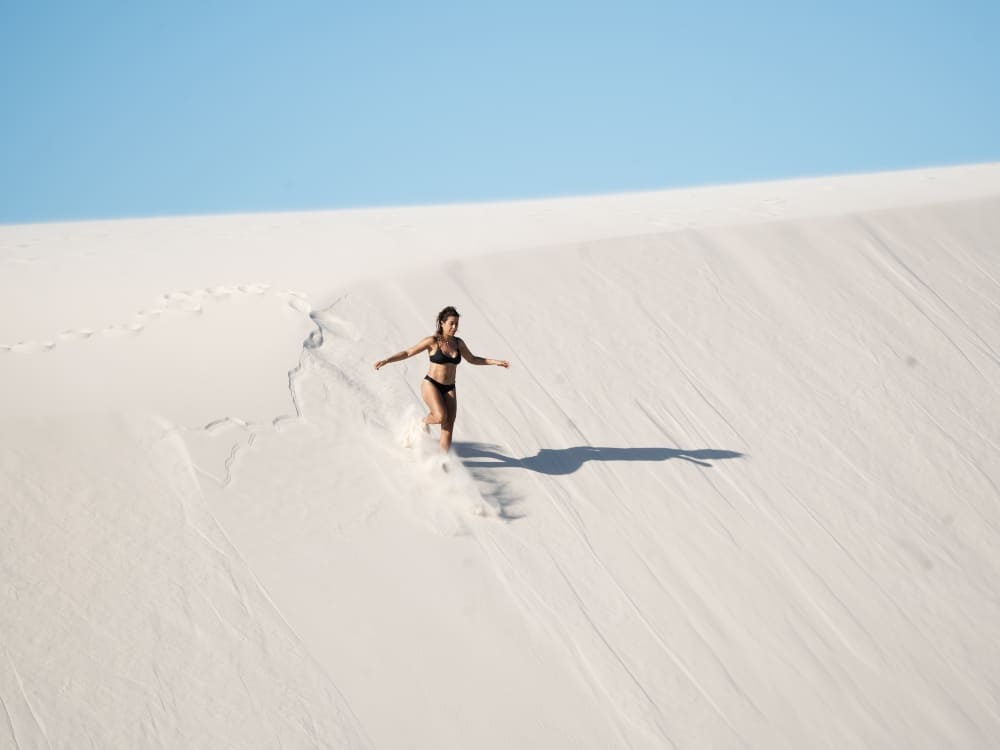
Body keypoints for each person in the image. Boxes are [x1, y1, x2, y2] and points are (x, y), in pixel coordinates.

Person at [374, 306, 509, 452]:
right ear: (442, 323)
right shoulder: (432, 341)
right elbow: (408, 352)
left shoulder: (458, 343)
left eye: (457, 324)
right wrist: (387, 360)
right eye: (451, 323)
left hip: (450, 387)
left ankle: (443, 462)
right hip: (431, 384)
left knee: (448, 426)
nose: (454, 327)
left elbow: (473, 359)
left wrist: (495, 362)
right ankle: (421, 422)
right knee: (440, 416)